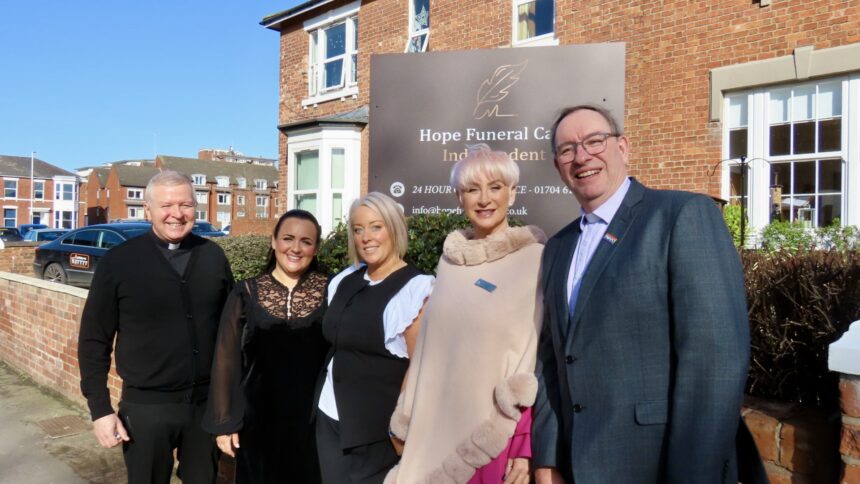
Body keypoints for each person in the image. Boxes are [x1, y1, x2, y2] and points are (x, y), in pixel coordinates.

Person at [532, 105, 756, 483]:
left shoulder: (681, 215)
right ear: (558, 167)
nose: (582, 156)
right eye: (568, 149)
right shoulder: (557, 246)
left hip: (657, 465)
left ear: (623, 147)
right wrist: (548, 459)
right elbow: (553, 361)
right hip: (577, 467)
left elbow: (714, 362)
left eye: (594, 141)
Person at [386, 144, 545, 484]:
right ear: (460, 197)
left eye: (495, 187)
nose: (484, 199)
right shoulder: (449, 262)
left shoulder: (535, 261)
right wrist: (406, 413)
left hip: (487, 436)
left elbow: (533, 357)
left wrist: (523, 445)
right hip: (430, 429)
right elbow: (428, 349)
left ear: (512, 193)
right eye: (473, 189)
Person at [78, 169, 234, 483]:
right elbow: (95, 339)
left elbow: (231, 336)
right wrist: (100, 409)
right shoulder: (119, 262)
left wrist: (231, 408)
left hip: (205, 409)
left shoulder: (213, 258)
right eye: (166, 205)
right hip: (145, 410)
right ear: (148, 210)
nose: (177, 214)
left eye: (186, 205)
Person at [315, 192, 434, 484]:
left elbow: (421, 368)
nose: (366, 237)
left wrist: (401, 431)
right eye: (358, 229)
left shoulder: (417, 289)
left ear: (394, 229)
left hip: (378, 433)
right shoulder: (345, 279)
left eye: (376, 227)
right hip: (329, 418)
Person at [203, 209, 329, 483]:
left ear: (316, 248)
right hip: (257, 421)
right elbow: (226, 360)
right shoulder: (245, 292)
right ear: (274, 241)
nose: (296, 248)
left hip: (314, 425)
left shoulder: (332, 290)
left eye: (306, 241)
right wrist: (225, 424)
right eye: (288, 238)